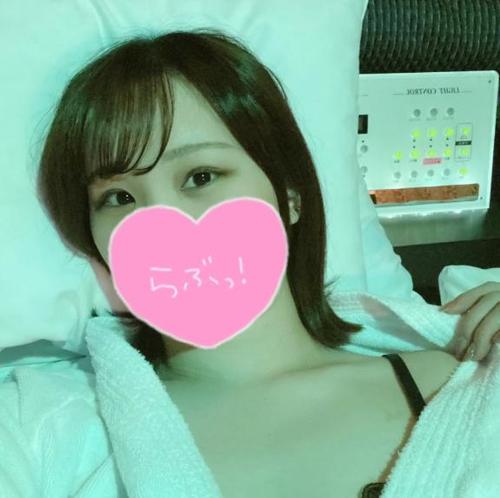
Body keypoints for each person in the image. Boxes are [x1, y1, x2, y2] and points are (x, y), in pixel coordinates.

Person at [35, 28, 463, 497]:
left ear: (290, 194)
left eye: (201, 176)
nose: (161, 222)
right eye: (119, 197)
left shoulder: (451, 385)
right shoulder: (48, 428)